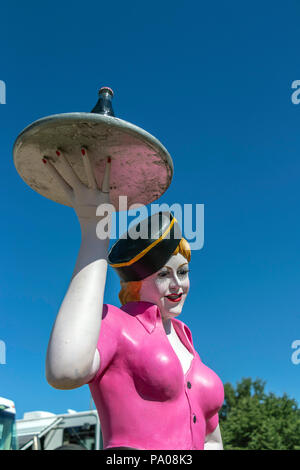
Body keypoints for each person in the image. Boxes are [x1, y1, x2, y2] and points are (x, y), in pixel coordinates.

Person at [45, 148, 224, 450]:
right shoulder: (114, 324)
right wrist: (95, 230)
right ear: (137, 284)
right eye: (164, 275)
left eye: (183, 271)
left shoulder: (189, 345)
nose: (177, 284)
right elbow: (65, 370)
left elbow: (211, 439)